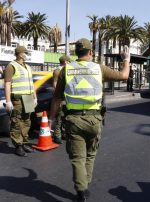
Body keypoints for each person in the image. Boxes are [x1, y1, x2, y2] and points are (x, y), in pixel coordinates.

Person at [49, 38, 130, 202]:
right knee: (90, 155)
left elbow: (56, 98)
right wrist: (126, 60)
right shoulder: (98, 68)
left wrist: (51, 119)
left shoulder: (67, 69)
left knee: (77, 158)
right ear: (91, 52)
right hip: (94, 120)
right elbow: (124, 76)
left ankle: (81, 190)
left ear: (75, 53)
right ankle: (85, 184)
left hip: (73, 120)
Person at [4, 46, 37, 157]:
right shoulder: (11, 66)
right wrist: (8, 101)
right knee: (17, 122)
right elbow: (7, 84)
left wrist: (34, 97)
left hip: (28, 98)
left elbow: (31, 84)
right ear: (19, 54)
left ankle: (24, 142)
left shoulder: (27, 66)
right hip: (17, 98)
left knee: (27, 121)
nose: (26, 55)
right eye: (25, 53)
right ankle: (18, 145)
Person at [52, 55, 70, 144]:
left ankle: (64, 133)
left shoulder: (67, 70)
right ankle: (57, 135)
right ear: (65, 61)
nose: (69, 63)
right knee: (59, 117)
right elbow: (55, 85)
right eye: (69, 61)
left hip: (67, 97)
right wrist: (57, 98)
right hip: (61, 98)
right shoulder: (57, 71)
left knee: (65, 117)